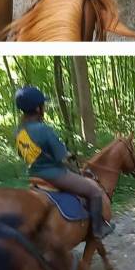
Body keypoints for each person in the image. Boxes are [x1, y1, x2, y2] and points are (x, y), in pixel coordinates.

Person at [14, 86, 114, 238]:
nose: (44, 108)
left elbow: (23, 154)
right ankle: (98, 229)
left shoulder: (18, 132)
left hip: (34, 175)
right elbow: (62, 157)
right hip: (54, 175)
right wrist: (71, 157)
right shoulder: (44, 129)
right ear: (37, 108)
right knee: (94, 191)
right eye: (43, 105)